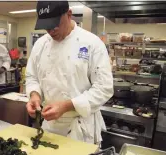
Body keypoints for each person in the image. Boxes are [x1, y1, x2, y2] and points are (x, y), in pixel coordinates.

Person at [26, 1, 113, 144]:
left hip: (80, 126)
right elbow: (32, 76)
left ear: (69, 14)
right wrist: (34, 95)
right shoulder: (40, 45)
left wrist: (67, 105)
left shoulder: (92, 43)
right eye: (46, 26)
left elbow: (104, 88)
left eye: (54, 24)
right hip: (49, 125)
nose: (50, 31)